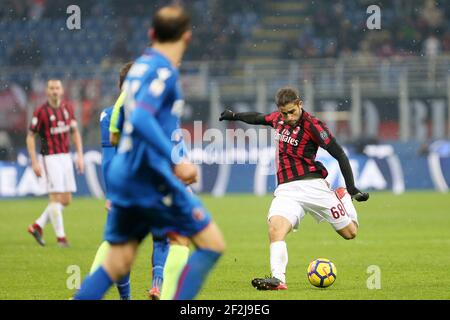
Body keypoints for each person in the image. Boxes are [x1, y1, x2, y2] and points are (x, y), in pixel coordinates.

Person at [74, 5, 225, 300]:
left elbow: (117, 121)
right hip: (150, 175)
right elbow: (141, 118)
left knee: (118, 260)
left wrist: (124, 143)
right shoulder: (163, 71)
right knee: (208, 244)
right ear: (187, 37)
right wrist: (175, 159)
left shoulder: (139, 68)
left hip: (126, 174)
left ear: (151, 33)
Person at [219, 87, 369, 290]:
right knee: (275, 228)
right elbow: (259, 118)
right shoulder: (278, 119)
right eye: (284, 113)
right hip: (286, 190)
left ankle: (341, 197)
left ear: (300, 104)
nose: (288, 117)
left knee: (350, 233)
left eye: (292, 111)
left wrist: (351, 189)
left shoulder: (313, 125)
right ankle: (278, 279)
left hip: (314, 187)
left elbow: (340, 154)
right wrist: (235, 116)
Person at [88, 62, 134, 300]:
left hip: (123, 189)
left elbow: (109, 159)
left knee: (117, 242)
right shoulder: (154, 111)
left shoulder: (108, 115)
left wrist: (111, 193)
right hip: (148, 186)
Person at [27, 79, 84, 247]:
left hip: (66, 156)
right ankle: (61, 238)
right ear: (47, 91)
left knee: (66, 199)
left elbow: (74, 132)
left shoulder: (68, 108)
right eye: (51, 88)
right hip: (50, 158)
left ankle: (37, 225)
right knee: (54, 198)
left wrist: (80, 155)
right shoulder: (41, 112)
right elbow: (30, 136)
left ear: (62, 90)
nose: (54, 91)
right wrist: (34, 161)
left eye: (57, 88)